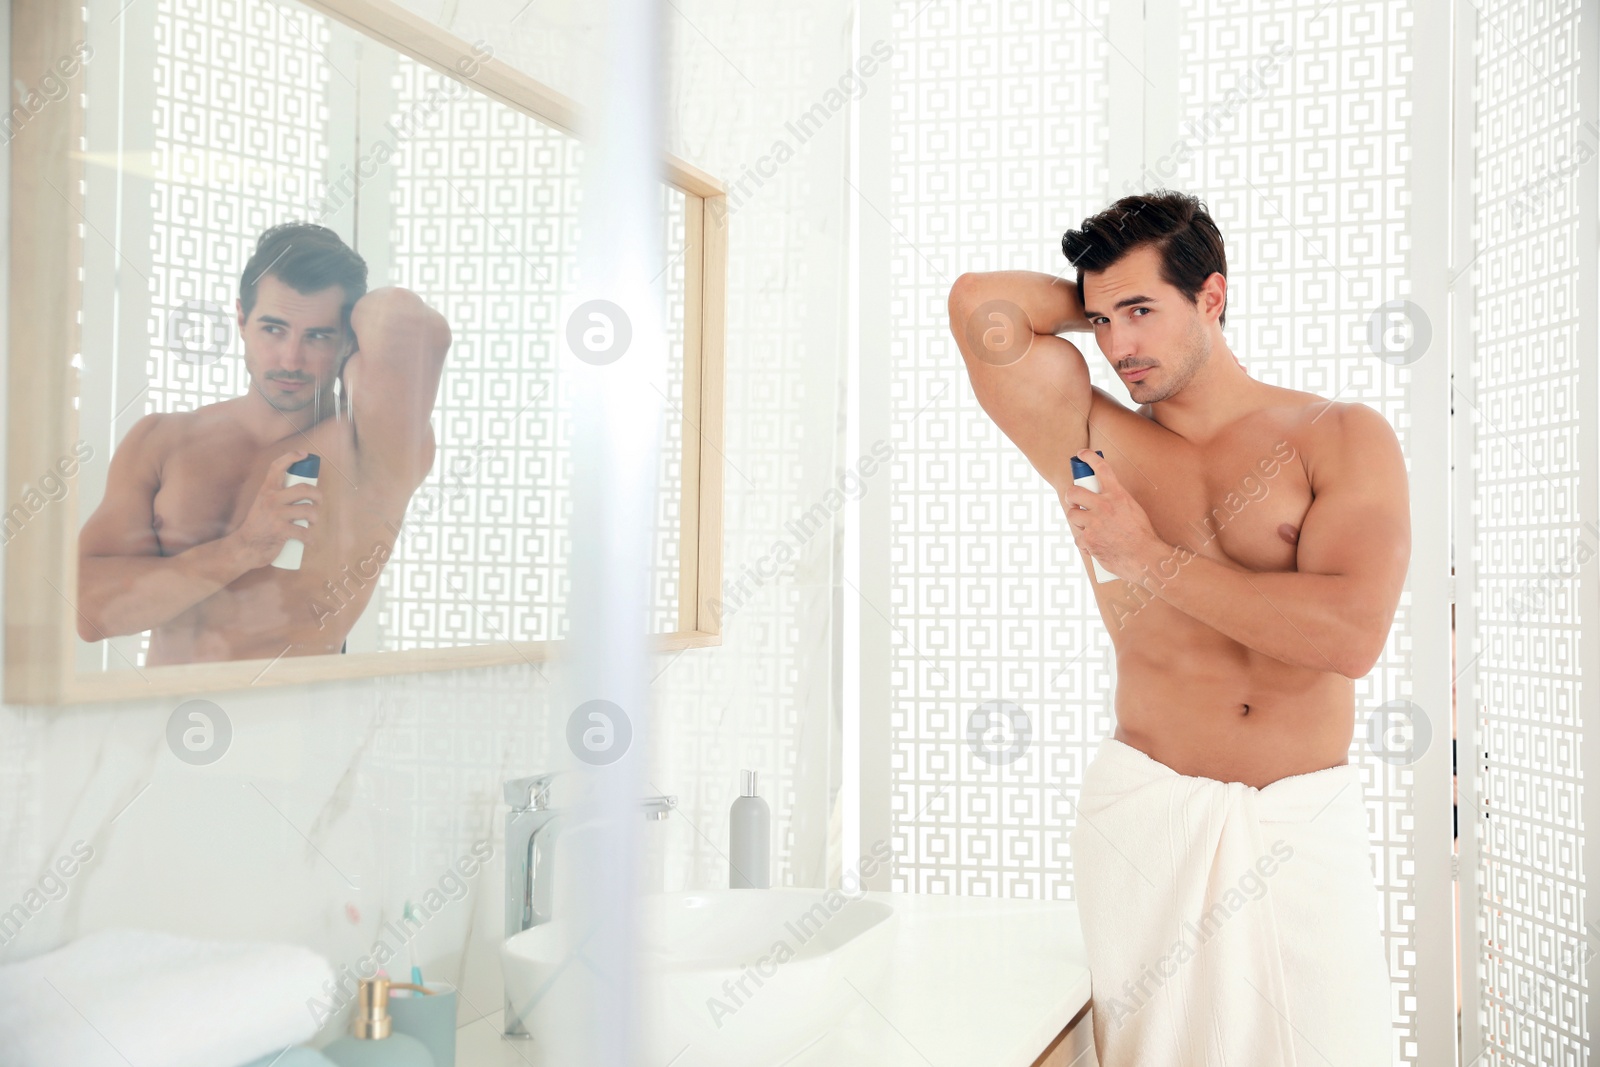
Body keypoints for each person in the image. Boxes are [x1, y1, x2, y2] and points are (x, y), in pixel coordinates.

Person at [947, 190, 1410, 1066]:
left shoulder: (1337, 436)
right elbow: (981, 306)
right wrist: (1100, 301)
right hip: (1147, 813)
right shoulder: (1090, 434)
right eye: (1100, 319)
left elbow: (1349, 634)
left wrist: (1147, 555)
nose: (1119, 346)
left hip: (1298, 823)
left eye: (1141, 311)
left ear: (1212, 296)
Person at [77, 222, 451, 666]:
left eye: (318, 335)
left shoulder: (369, 448)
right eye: (274, 329)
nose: (291, 359)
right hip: (154, 723)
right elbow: (90, 614)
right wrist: (243, 548)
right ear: (241, 319)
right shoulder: (162, 439)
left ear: (349, 338)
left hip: (289, 726)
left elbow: (401, 316)